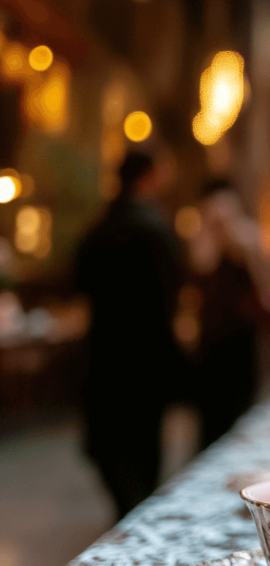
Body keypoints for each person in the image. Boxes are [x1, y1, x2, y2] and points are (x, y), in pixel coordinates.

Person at [74, 151, 182, 518]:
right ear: (148, 177)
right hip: (146, 355)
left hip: (105, 351)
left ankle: (126, 509)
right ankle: (138, 514)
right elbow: (172, 294)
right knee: (143, 443)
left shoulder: (99, 226)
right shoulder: (155, 229)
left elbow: (78, 283)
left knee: (111, 441)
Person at [187, 180, 270, 448]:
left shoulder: (251, 237)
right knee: (211, 418)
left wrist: (239, 243)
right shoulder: (201, 239)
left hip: (242, 339)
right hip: (212, 341)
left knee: (242, 411)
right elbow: (200, 271)